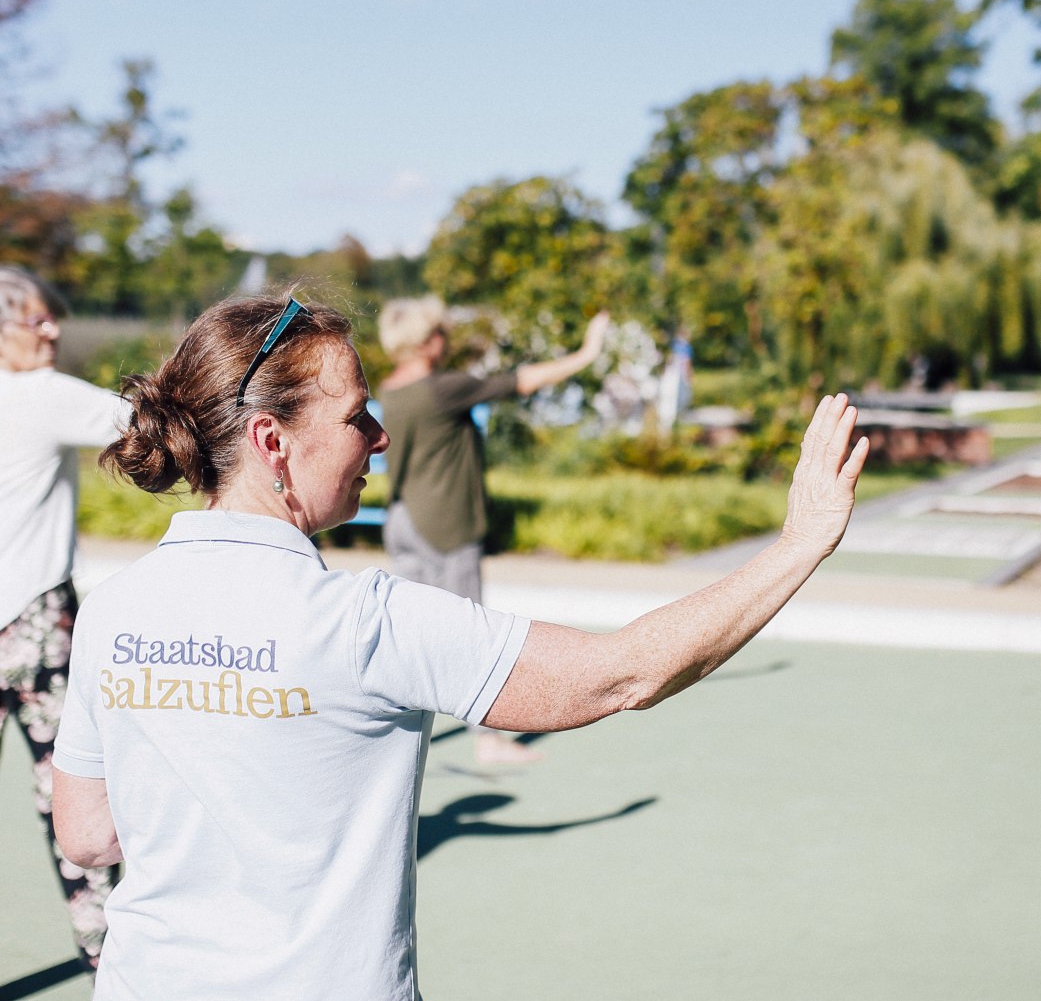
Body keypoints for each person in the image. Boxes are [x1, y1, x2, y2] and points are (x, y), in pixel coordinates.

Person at [52, 292, 867, 1000]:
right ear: (272, 442)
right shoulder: (366, 621)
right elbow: (615, 677)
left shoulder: (112, 609)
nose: (378, 437)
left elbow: (88, 836)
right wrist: (798, 543)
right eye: (355, 415)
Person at [377, 297, 608, 763]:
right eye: (442, 333)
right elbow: (518, 382)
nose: (447, 341)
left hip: (401, 520)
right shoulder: (442, 389)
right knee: (469, 634)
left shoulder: (392, 389)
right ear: (428, 341)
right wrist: (585, 354)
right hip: (443, 523)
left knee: (409, 638)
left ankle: (393, 743)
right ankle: (488, 740)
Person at [0, 266, 127, 972]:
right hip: (37, 623)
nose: (53, 330)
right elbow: (147, 423)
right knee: (77, 804)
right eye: (36, 320)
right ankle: (112, 964)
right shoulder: (40, 396)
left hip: (36, 619)